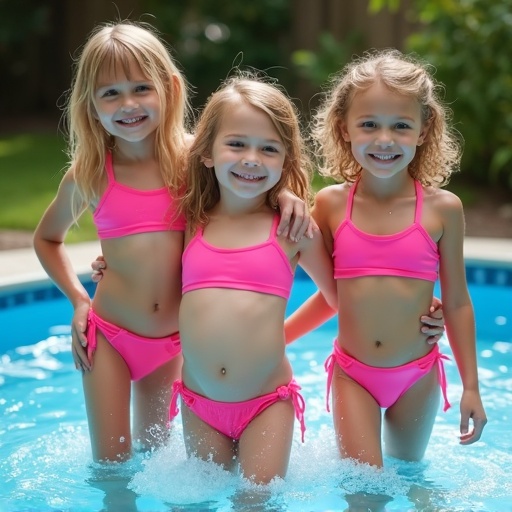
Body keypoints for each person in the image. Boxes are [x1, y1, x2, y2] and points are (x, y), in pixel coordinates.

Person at [32, 21, 309, 464]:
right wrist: (79, 300)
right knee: (113, 465)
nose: (128, 105)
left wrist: (284, 193)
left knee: (157, 458)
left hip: (173, 344)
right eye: (110, 94)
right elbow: (47, 238)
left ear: (170, 87)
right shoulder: (89, 176)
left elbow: (246, 180)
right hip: (110, 338)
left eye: (141, 88)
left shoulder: (191, 162)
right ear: (90, 104)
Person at [286, 48, 487, 469]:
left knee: (410, 475)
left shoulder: (443, 209)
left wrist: (471, 387)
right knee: (365, 491)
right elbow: (331, 293)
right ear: (344, 128)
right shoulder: (330, 205)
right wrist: (277, 339)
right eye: (369, 125)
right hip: (352, 373)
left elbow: (457, 302)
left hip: (418, 374)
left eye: (400, 126)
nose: (384, 140)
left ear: (424, 129)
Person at [166, 74, 340, 484]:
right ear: (206, 152)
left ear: (286, 161)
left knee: (257, 502)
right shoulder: (190, 219)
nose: (252, 159)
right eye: (237, 144)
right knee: (197, 500)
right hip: (200, 403)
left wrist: (283, 334)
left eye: (269, 149)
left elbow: (336, 299)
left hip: (267, 403)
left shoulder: (293, 229)